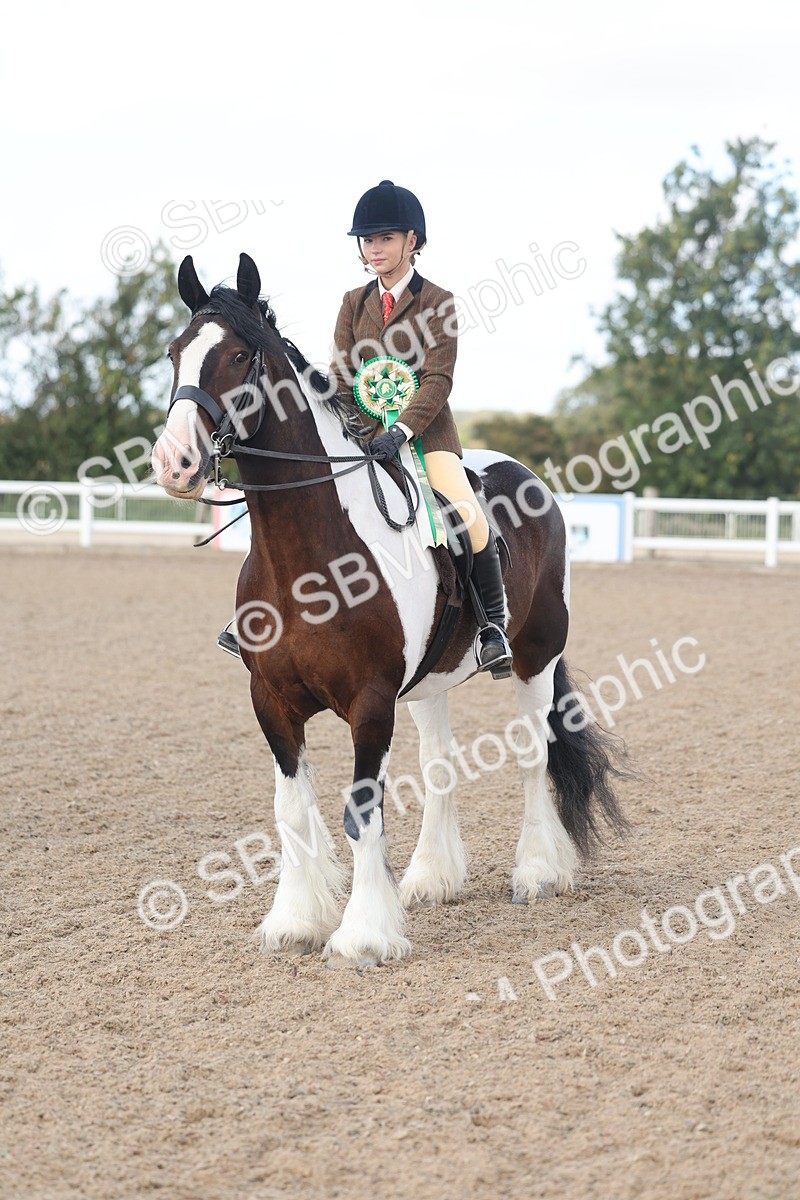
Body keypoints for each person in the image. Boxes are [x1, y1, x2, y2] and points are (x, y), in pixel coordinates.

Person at [218, 180, 512, 678]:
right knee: (298, 507)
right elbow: (341, 376)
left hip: (426, 438)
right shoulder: (353, 302)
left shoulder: (438, 301)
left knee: (467, 514)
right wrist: (340, 416)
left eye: (386, 239)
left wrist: (402, 432)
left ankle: (491, 628)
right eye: (368, 240)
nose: (375, 249)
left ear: (412, 241)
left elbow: (438, 379)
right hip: (359, 434)